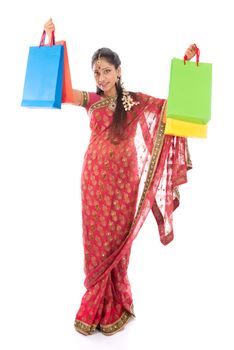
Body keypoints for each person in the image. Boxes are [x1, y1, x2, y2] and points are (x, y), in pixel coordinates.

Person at [44, 18, 195, 336]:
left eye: (107, 71)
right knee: (96, 242)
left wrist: (186, 66)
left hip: (124, 183)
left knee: (119, 243)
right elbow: (64, 93)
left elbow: (170, 108)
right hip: (94, 182)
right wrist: (50, 38)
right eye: (96, 72)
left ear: (119, 71)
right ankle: (96, 302)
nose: (101, 77)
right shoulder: (93, 101)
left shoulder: (135, 101)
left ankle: (116, 305)